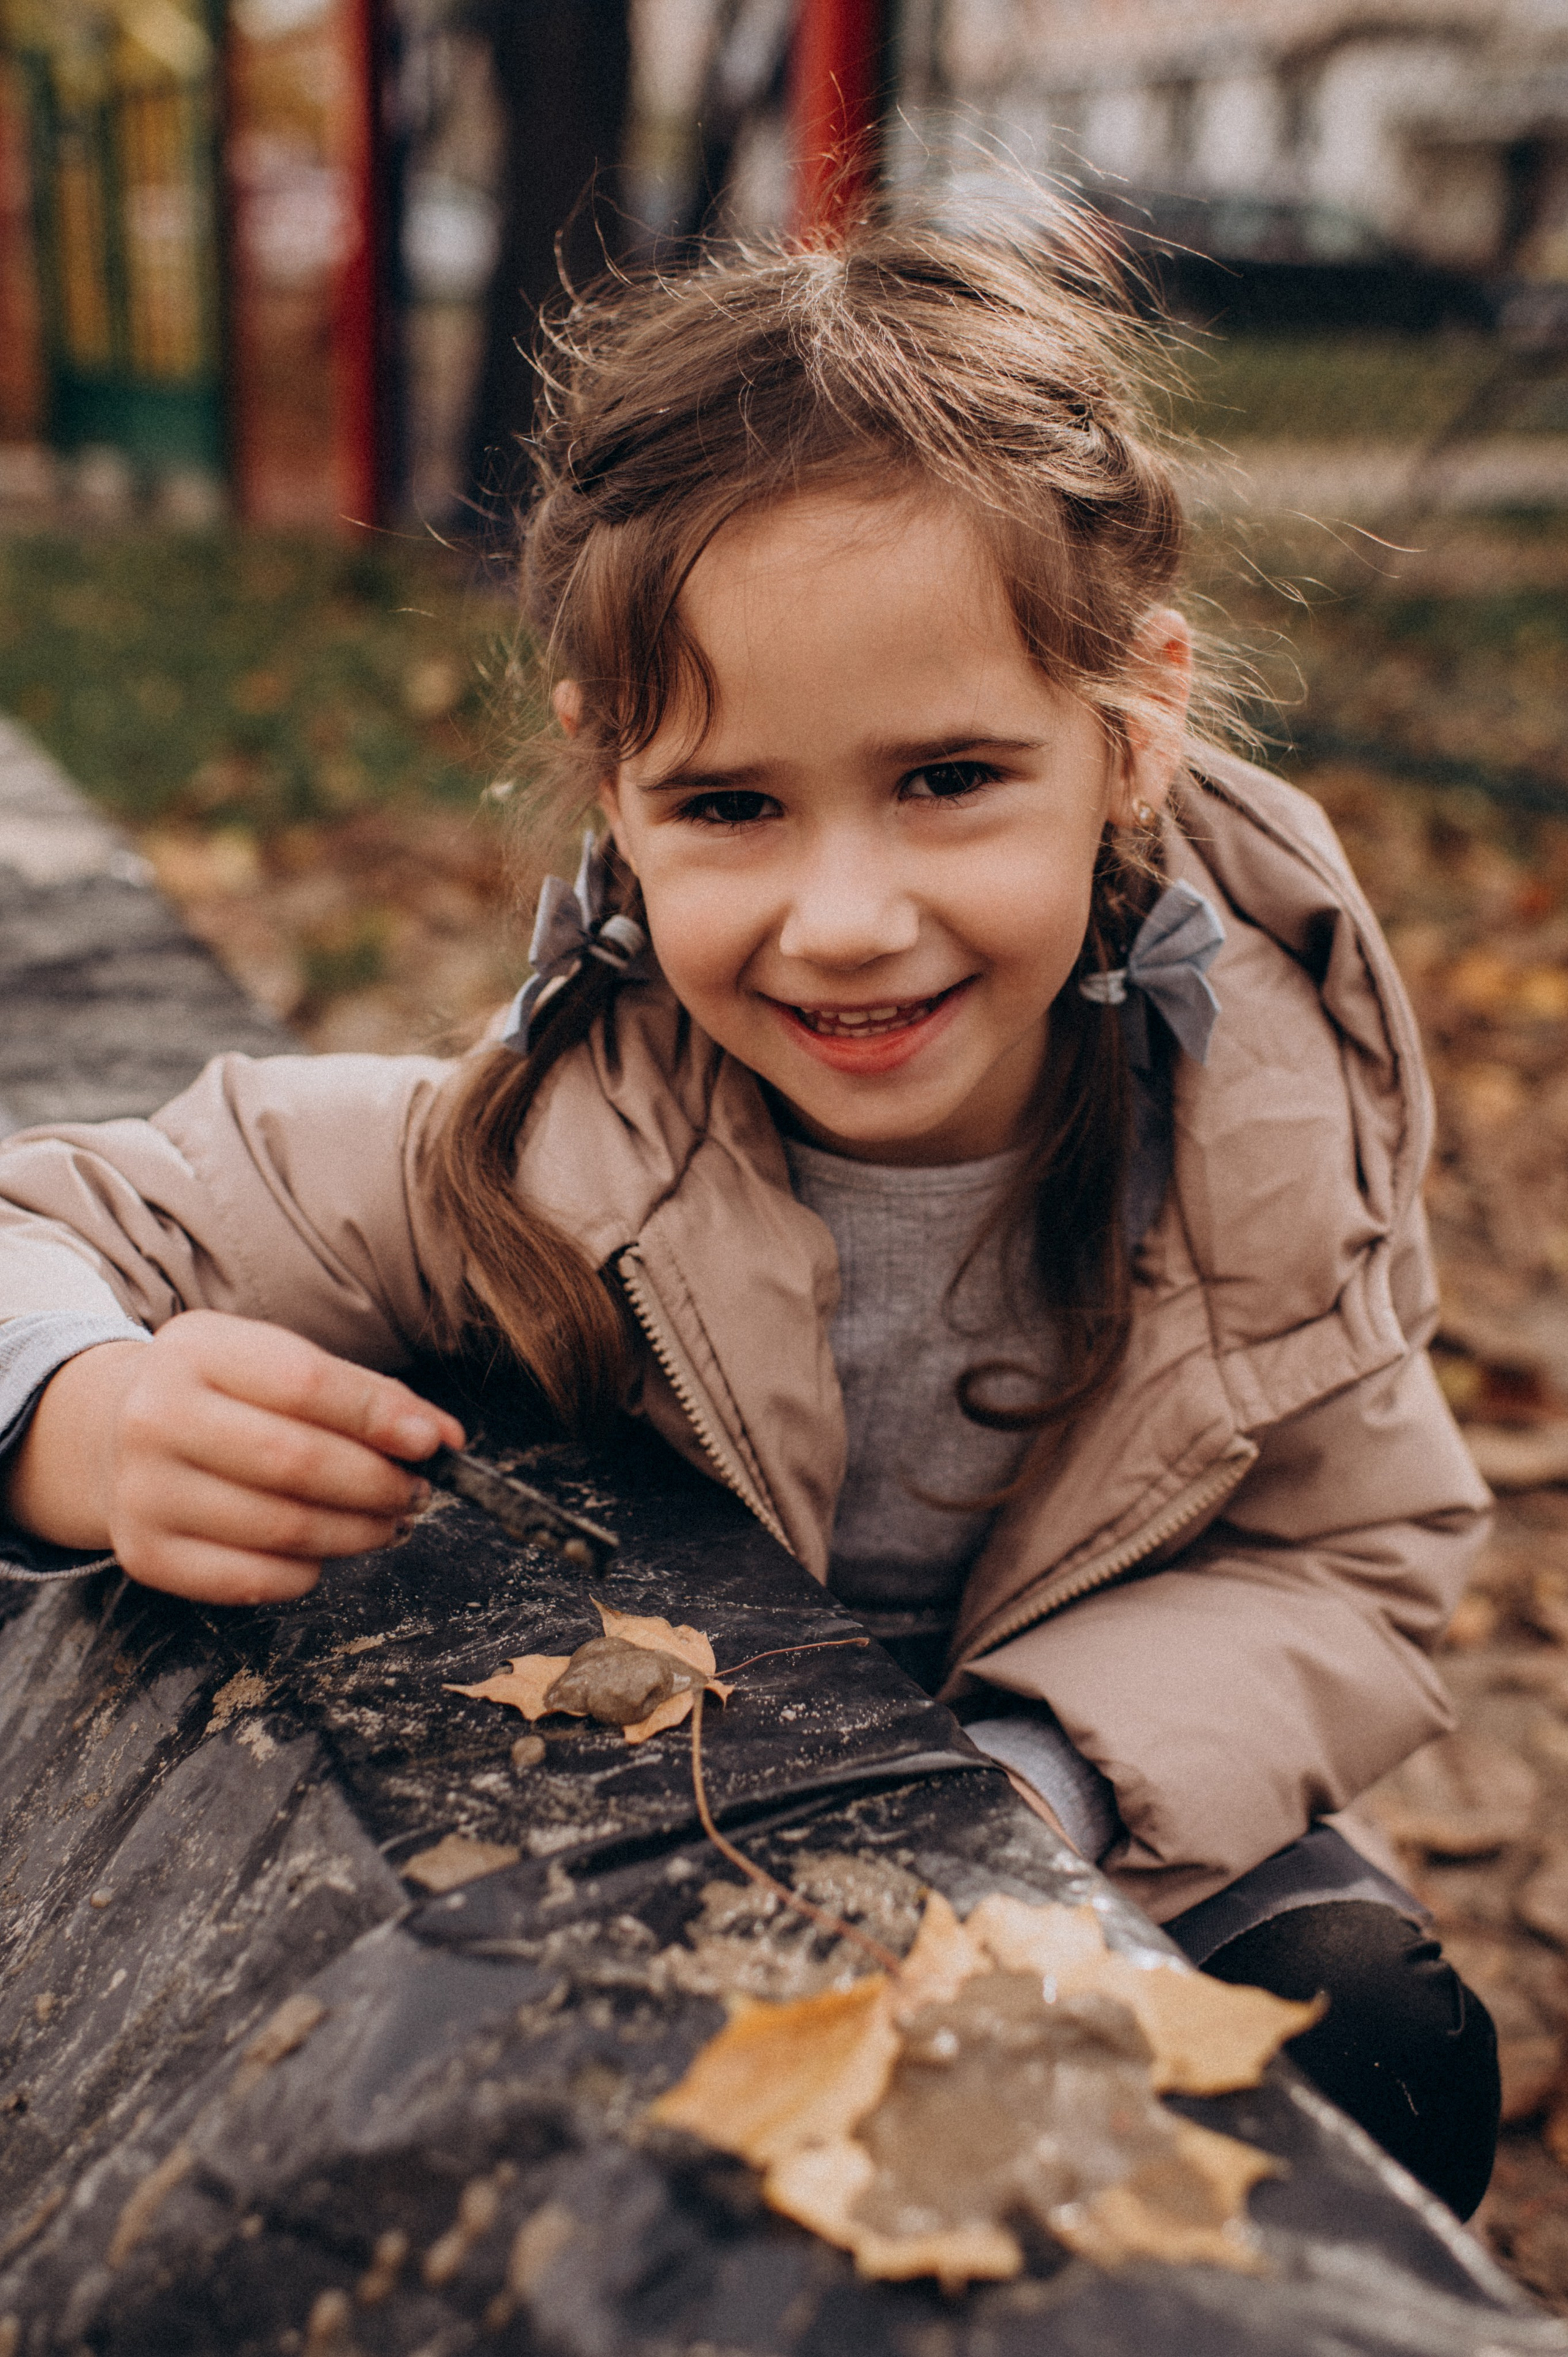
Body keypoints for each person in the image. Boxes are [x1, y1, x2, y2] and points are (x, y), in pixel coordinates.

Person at [0, 206, 1499, 2215]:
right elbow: (54, 1223)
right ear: (612, 789)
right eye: (730, 807)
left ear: (1130, 731)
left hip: (1104, 1814)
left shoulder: (1254, 1164)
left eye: (951, 776)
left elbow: (1366, 1557)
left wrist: (1032, 1792)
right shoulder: (521, 1158)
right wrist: (88, 1420)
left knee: (1363, 2029)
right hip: (652, 1852)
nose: (848, 919)